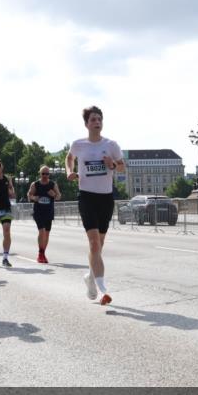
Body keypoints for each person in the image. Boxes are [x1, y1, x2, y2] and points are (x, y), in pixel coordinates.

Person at [66, 105, 124, 305]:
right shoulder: (78, 145)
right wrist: (69, 171)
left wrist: (113, 164)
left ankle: (90, 278)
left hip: (106, 198)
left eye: (99, 119)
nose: (97, 122)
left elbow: (123, 167)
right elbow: (69, 157)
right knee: (93, 243)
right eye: (93, 119)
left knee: (99, 246)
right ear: (86, 124)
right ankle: (103, 290)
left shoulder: (111, 145)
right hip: (87, 197)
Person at [28, 166, 60, 263]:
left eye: (47, 174)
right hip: (38, 212)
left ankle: (43, 253)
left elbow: (59, 196)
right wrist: (34, 198)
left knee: (46, 233)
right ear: (40, 174)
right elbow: (29, 195)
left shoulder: (52, 184)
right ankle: (40, 253)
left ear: (49, 174)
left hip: (49, 212)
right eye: (43, 174)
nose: (45, 176)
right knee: (41, 231)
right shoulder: (35, 184)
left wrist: (54, 195)